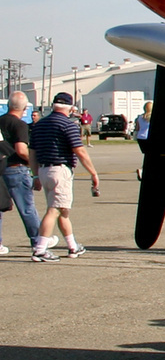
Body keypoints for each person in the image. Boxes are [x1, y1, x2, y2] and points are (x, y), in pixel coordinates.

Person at [28, 92, 100, 262]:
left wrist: (35, 174)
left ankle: (73, 246)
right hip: (60, 170)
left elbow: (32, 153)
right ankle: (40, 249)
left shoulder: (39, 125)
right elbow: (80, 151)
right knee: (54, 210)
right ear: (69, 107)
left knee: (63, 210)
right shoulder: (68, 125)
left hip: (44, 170)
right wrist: (93, 173)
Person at [0, 92, 46, 256]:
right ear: (25, 108)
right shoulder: (20, 125)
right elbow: (21, 149)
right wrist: (32, 162)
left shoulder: (1, 121)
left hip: (1, 167)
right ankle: (37, 241)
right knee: (26, 208)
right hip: (16, 168)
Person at [133, 101, 153, 179]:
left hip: (140, 138)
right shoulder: (152, 117)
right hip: (148, 137)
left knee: (148, 155)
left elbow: (137, 128)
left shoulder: (140, 117)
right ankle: (142, 170)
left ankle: (145, 171)